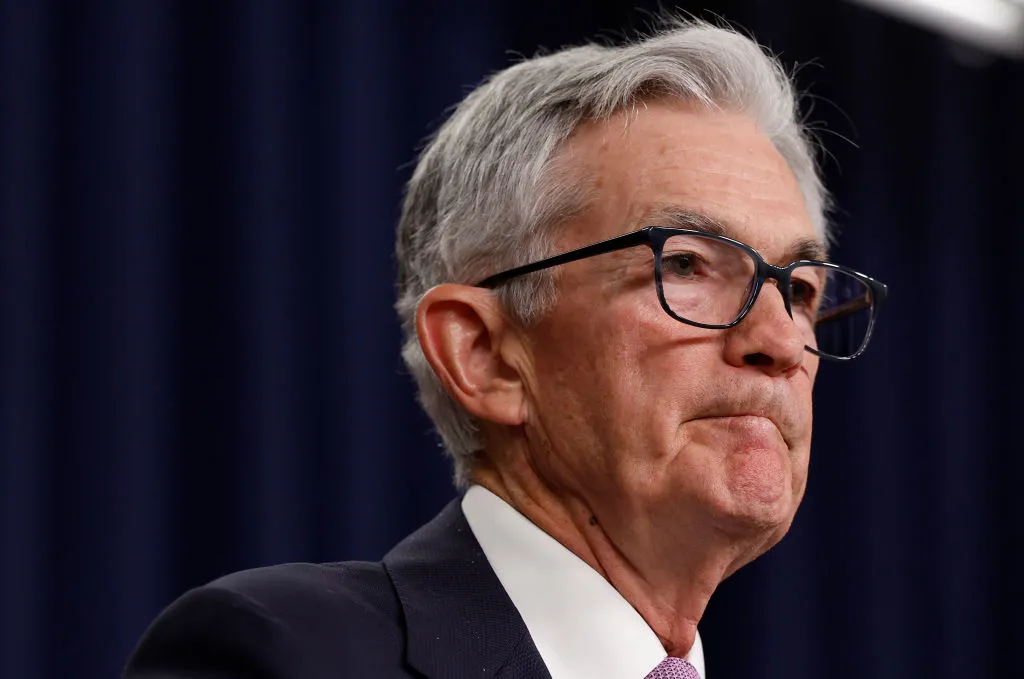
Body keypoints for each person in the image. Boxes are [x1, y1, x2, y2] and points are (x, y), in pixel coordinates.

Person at [124, 18, 887, 679]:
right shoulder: (284, 655)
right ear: (484, 355)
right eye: (685, 264)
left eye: (797, 289)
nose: (782, 340)